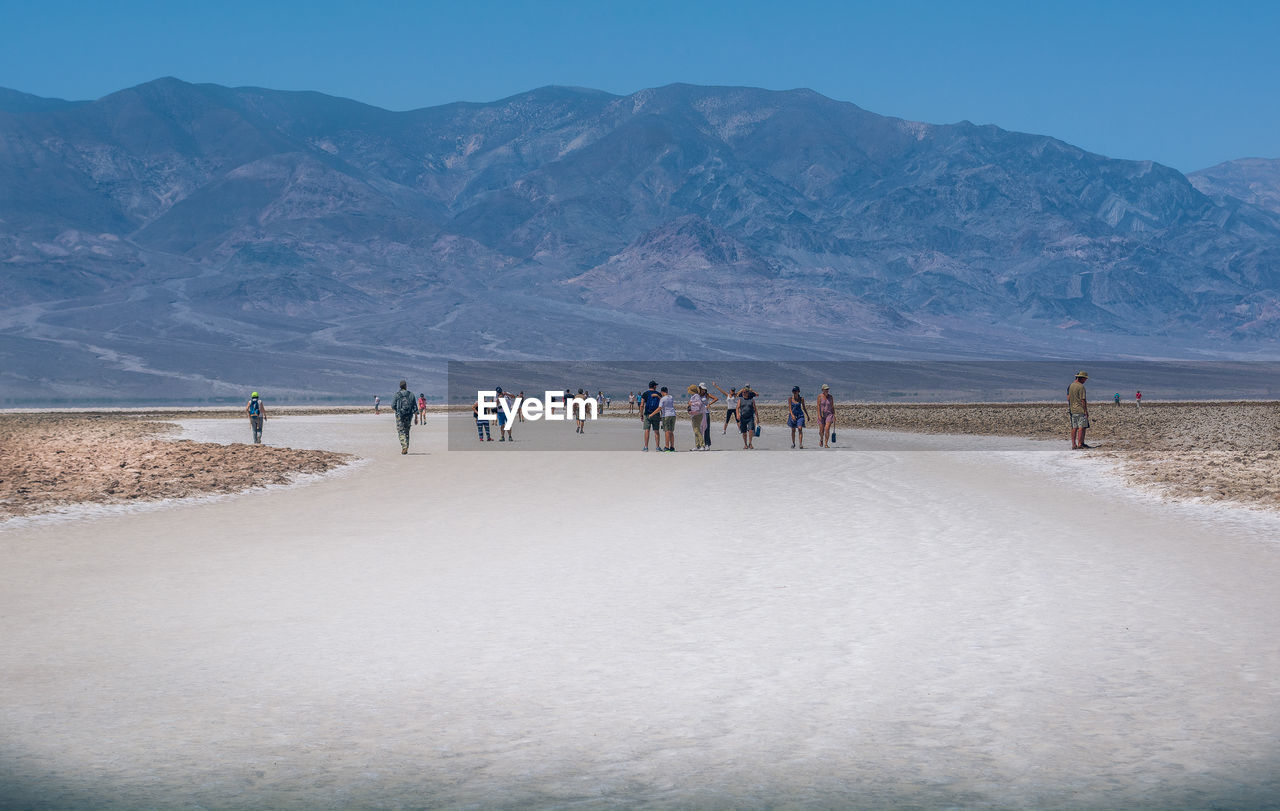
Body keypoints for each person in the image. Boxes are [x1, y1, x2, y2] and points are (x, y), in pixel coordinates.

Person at [392, 380, 418, 454]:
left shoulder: (397, 395)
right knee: (407, 431)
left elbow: (393, 405)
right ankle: (406, 446)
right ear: (406, 386)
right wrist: (416, 418)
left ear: (400, 387)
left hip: (400, 416)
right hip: (409, 415)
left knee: (401, 431)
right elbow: (415, 407)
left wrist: (397, 411)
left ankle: (404, 446)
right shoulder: (411, 394)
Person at [1068, 371, 1091, 449]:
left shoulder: (1070, 385)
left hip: (1072, 409)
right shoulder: (1081, 387)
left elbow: (1068, 397)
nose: (1085, 381)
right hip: (1080, 409)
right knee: (1082, 427)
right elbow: (1083, 400)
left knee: (1074, 427)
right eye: (1085, 379)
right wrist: (1085, 411)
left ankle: (1074, 444)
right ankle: (1080, 443)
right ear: (1081, 378)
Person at [639, 381, 663, 451]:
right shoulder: (658, 394)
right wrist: (661, 414)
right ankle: (657, 447)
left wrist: (641, 415)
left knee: (647, 430)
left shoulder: (645, 394)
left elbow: (642, 405)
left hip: (647, 414)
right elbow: (661, 405)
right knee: (656, 430)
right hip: (656, 413)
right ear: (654, 386)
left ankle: (646, 447)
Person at [657, 386, 677, 451]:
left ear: (662, 392)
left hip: (666, 416)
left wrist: (652, 414)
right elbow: (665, 400)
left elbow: (660, 408)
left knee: (667, 431)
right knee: (671, 431)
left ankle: (667, 446)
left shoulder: (662, 399)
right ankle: (672, 447)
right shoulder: (671, 397)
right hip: (673, 415)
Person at [738, 384, 758, 449]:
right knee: (744, 432)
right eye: (743, 392)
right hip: (743, 417)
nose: (743, 393)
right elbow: (737, 407)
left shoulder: (752, 399)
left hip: (750, 417)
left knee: (751, 430)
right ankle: (745, 444)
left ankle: (750, 443)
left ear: (748, 393)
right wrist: (737, 414)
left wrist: (757, 418)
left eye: (745, 392)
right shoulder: (740, 399)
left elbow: (755, 409)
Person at [687, 384, 706, 450]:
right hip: (694, 414)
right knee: (695, 430)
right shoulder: (694, 396)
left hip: (697, 414)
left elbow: (699, 403)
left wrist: (691, 404)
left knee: (697, 430)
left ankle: (702, 445)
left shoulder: (696, 396)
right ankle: (697, 445)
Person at [699, 384, 718, 449]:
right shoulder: (697, 395)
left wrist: (709, 404)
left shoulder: (707, 395)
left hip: (706, 412)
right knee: (700, 429)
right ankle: (700, 444)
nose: (703, 390)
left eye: (704, 389)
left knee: (706, 428)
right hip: (699, 413)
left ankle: (707, 444)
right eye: (702, 389)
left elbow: (716, 398)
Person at [817, 384, 836, 448]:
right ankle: (821, 439)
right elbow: (818, 406)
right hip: (822, 415)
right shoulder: (820, 396)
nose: (827, 390)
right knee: (821, 430)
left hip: (829, 414)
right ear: (822, 390)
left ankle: (826, 444)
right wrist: (819, 415)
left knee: (827, 428)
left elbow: (832, 406)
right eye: (825, 389)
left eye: (827, 389)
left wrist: (834, 415)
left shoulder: (831, 397)